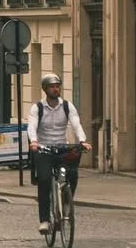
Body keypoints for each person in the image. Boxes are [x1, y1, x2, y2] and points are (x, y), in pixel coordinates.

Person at [28, 74, 92, 234]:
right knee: (44, 180)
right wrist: (34, 142)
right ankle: (44, 220)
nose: (55, 89)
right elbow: (32, 126)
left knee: (72, 174)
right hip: (44, 149)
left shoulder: (67, 106)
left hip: (62, 148)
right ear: (45, 89)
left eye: (57, 86)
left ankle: (66, 204)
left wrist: (83, 140)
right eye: (52, 86)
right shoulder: (38, 108)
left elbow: (76, 123)